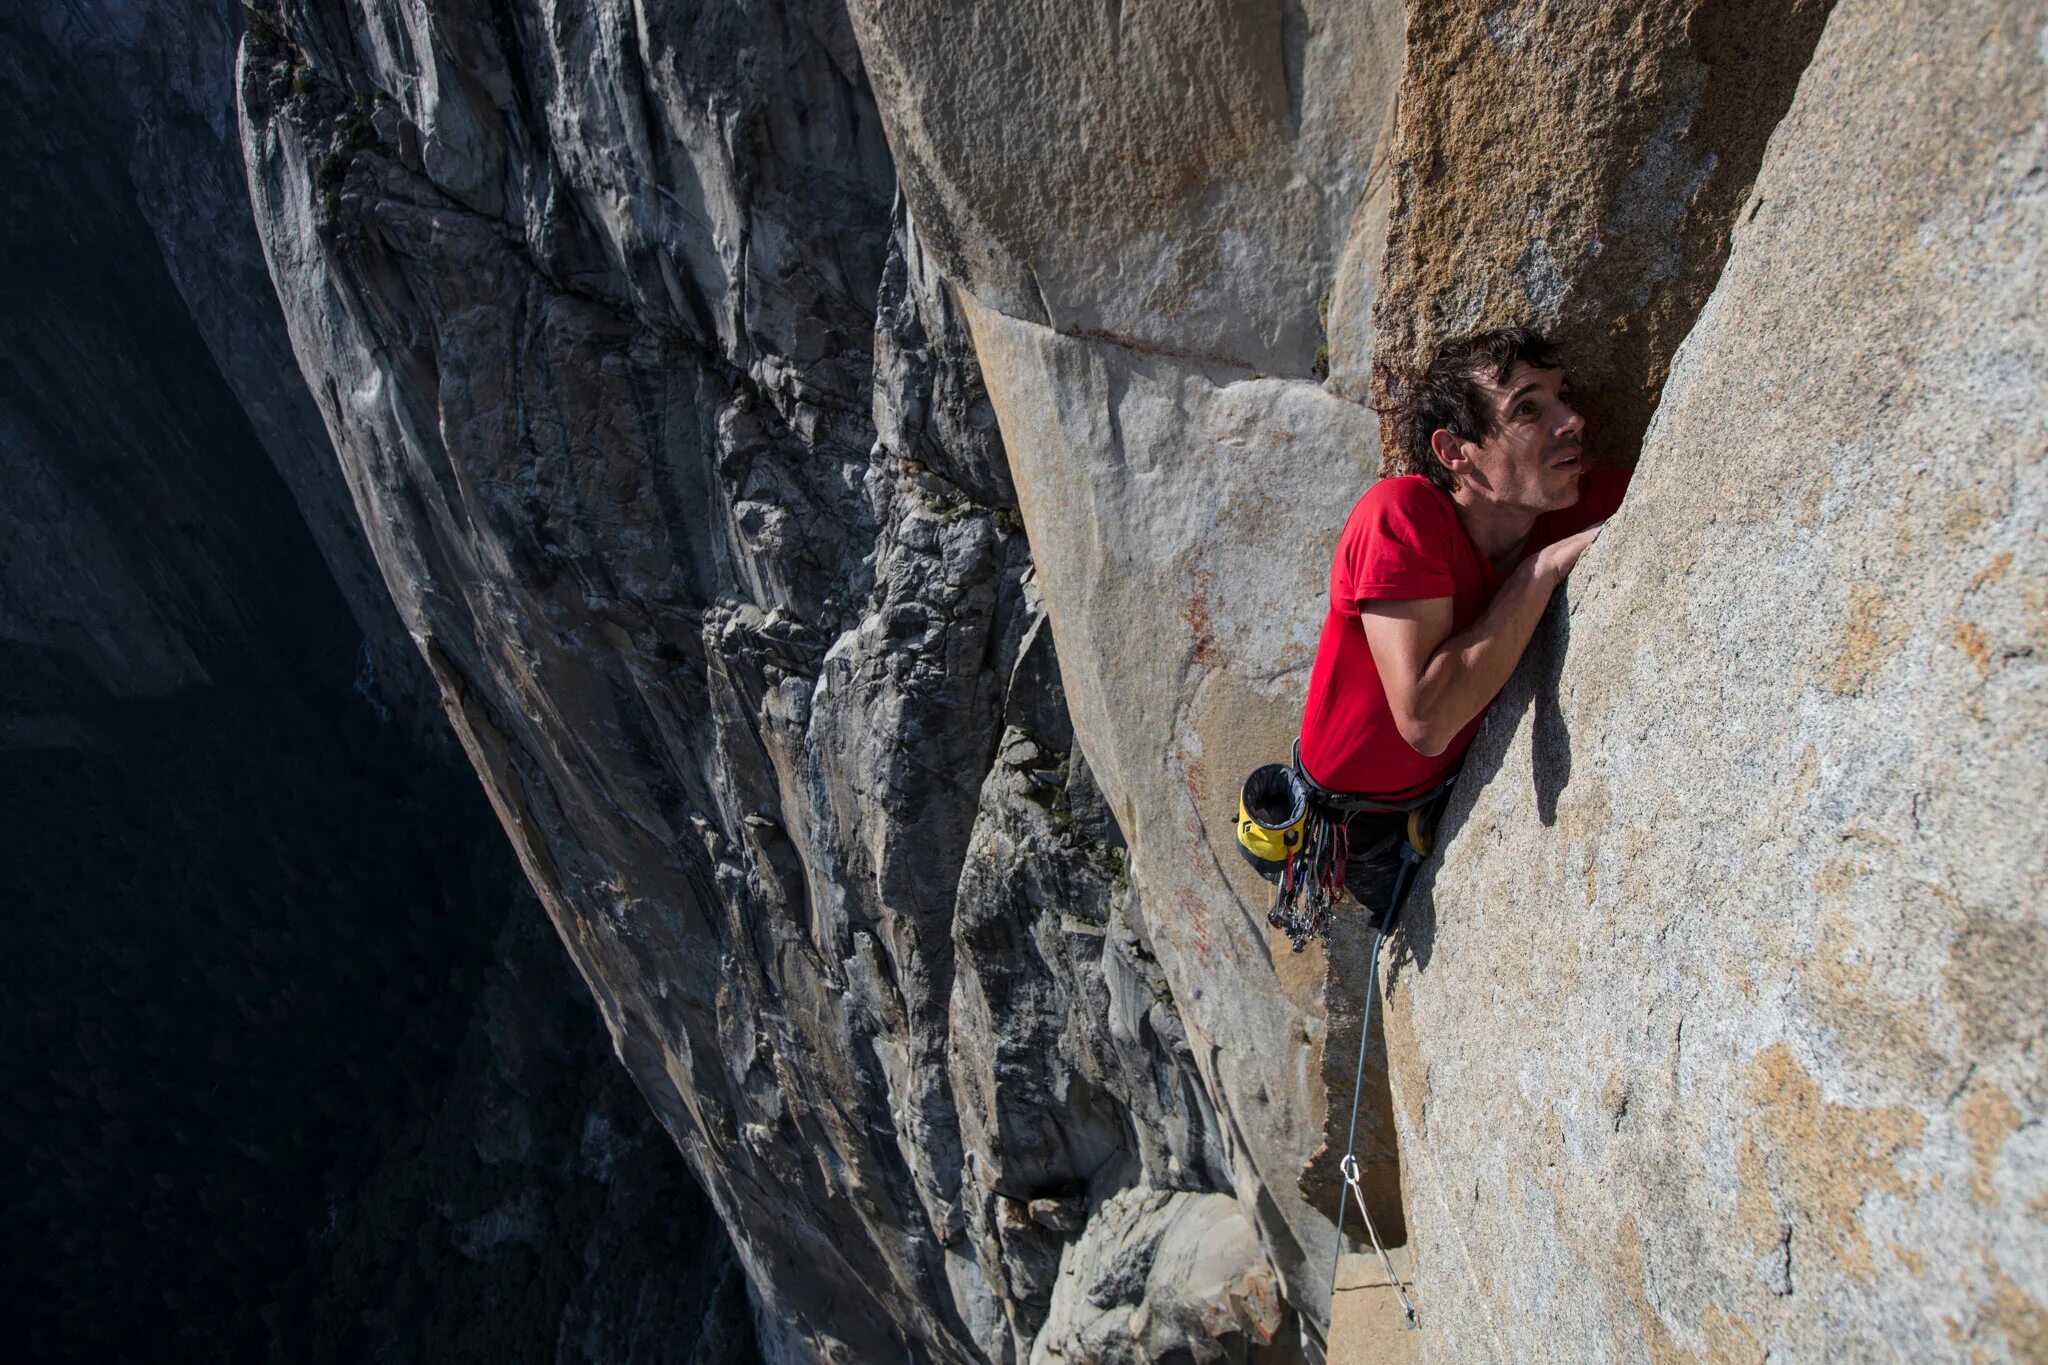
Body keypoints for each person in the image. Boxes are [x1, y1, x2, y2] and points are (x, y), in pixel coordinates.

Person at [1296, 325, 1631, 913]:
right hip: (1358, 830)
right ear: (1455, 452)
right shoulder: (1401, 516)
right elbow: (1426, 720)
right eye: (1528, 407)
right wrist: (1540, 570)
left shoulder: (1576, 501)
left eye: (1563, 396)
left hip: (1444, 794)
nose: (1570, 420)